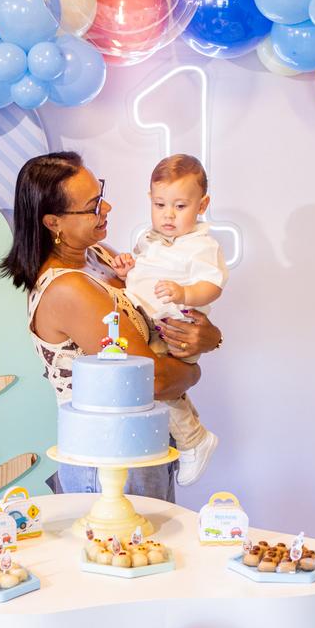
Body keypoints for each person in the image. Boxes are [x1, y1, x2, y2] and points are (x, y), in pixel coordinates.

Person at [0, 152, 223, 501]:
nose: (107, 208)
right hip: (110, 458)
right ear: (54, 223)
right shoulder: (68, 289)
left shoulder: (100, 256)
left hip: (144, 438)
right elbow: (152, 380)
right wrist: (194, 369)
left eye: (100, 195)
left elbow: (166, 317)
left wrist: (208, 336)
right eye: (93, 206)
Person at [110, 155, 226, 486]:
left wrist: (185, 292)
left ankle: (194, 441)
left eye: (180, 206)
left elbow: (213, 285)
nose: (168, 214)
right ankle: (192, 433)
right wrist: (127, 272)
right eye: (160, 204)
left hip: (174, 329)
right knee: (160, 388)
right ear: (150, 199)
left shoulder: (201, 245)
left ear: (202, 205)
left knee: (156, 386)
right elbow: (143, 277)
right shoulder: (149, 239)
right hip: (151, 322)